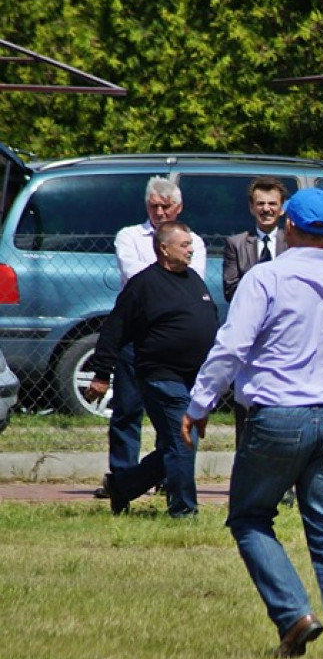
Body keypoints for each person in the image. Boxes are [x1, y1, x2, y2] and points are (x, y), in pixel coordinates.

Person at [182, 188, 323, 659]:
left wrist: (199, 404)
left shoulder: (265, 278)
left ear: (287, 226)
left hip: (277, 416)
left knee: (250, 517)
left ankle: (293, 615)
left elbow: (231, 346)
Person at [85, 221, 218, 517]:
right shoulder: (143, 285)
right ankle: (183, 512)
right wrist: (101, 374)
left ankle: (123, 485)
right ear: (164, 248)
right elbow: (114, 329)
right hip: (161, 376)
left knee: (179, 444)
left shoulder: (193, 279)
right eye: (184, 245)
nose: (191, 249)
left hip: (193, 380)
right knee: (182, 443)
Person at [222, 177, 288, 446]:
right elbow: (230, 290)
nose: (267, 209)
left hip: (284, 336)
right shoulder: (237, 244)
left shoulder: (291, 241)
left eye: (273, 204)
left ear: (282, 208)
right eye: (261, 203)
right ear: (251, 207)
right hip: (250, 338)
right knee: (246, 407)